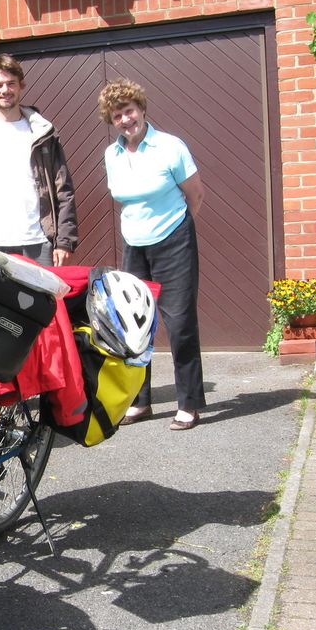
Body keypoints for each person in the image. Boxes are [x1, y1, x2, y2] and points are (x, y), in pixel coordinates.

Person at [97, 78, 206, 431]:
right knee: (133, 326)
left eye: (129, 111)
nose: (125, 120)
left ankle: (188, 403)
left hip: (174, 241)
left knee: (180, 324)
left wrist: (175, 228)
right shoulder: (112, 155)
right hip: (134, 245)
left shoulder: (170, 146)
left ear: (142, 109)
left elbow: (196, 195)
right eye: (117, 115)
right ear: (111, 121)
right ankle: (139, 401)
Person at [0, 53, 78, 267]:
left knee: (45, 301)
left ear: (21, 85)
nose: (5, 90)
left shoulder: (43, 134)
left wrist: (64, 241)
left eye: (11, 83)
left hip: (38, 242)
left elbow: (64, 190)